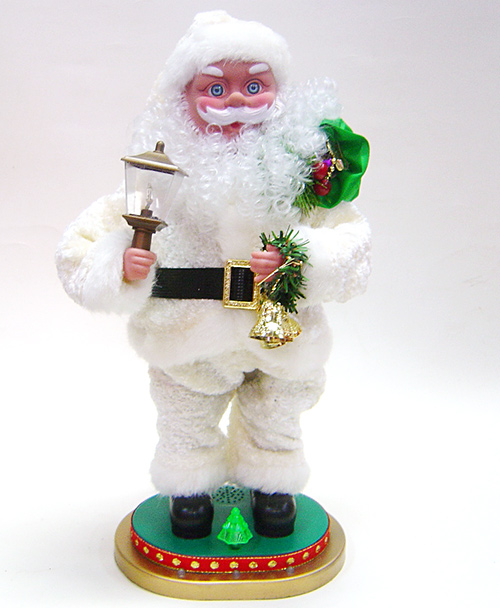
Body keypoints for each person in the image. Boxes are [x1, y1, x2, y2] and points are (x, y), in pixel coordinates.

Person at [56, 11, 371, 539]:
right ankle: (189, 492)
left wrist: (299, 260)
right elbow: (81, 245)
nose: (237, 101)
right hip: (186, 337)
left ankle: (273, 485)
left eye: (255, 85)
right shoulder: (156, 179)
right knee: (184, 417)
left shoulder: (304, 180)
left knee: (278, 414)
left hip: (281, 334)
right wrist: (120, 262)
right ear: (183, 98)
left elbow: (352, 243)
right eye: (217, 88)